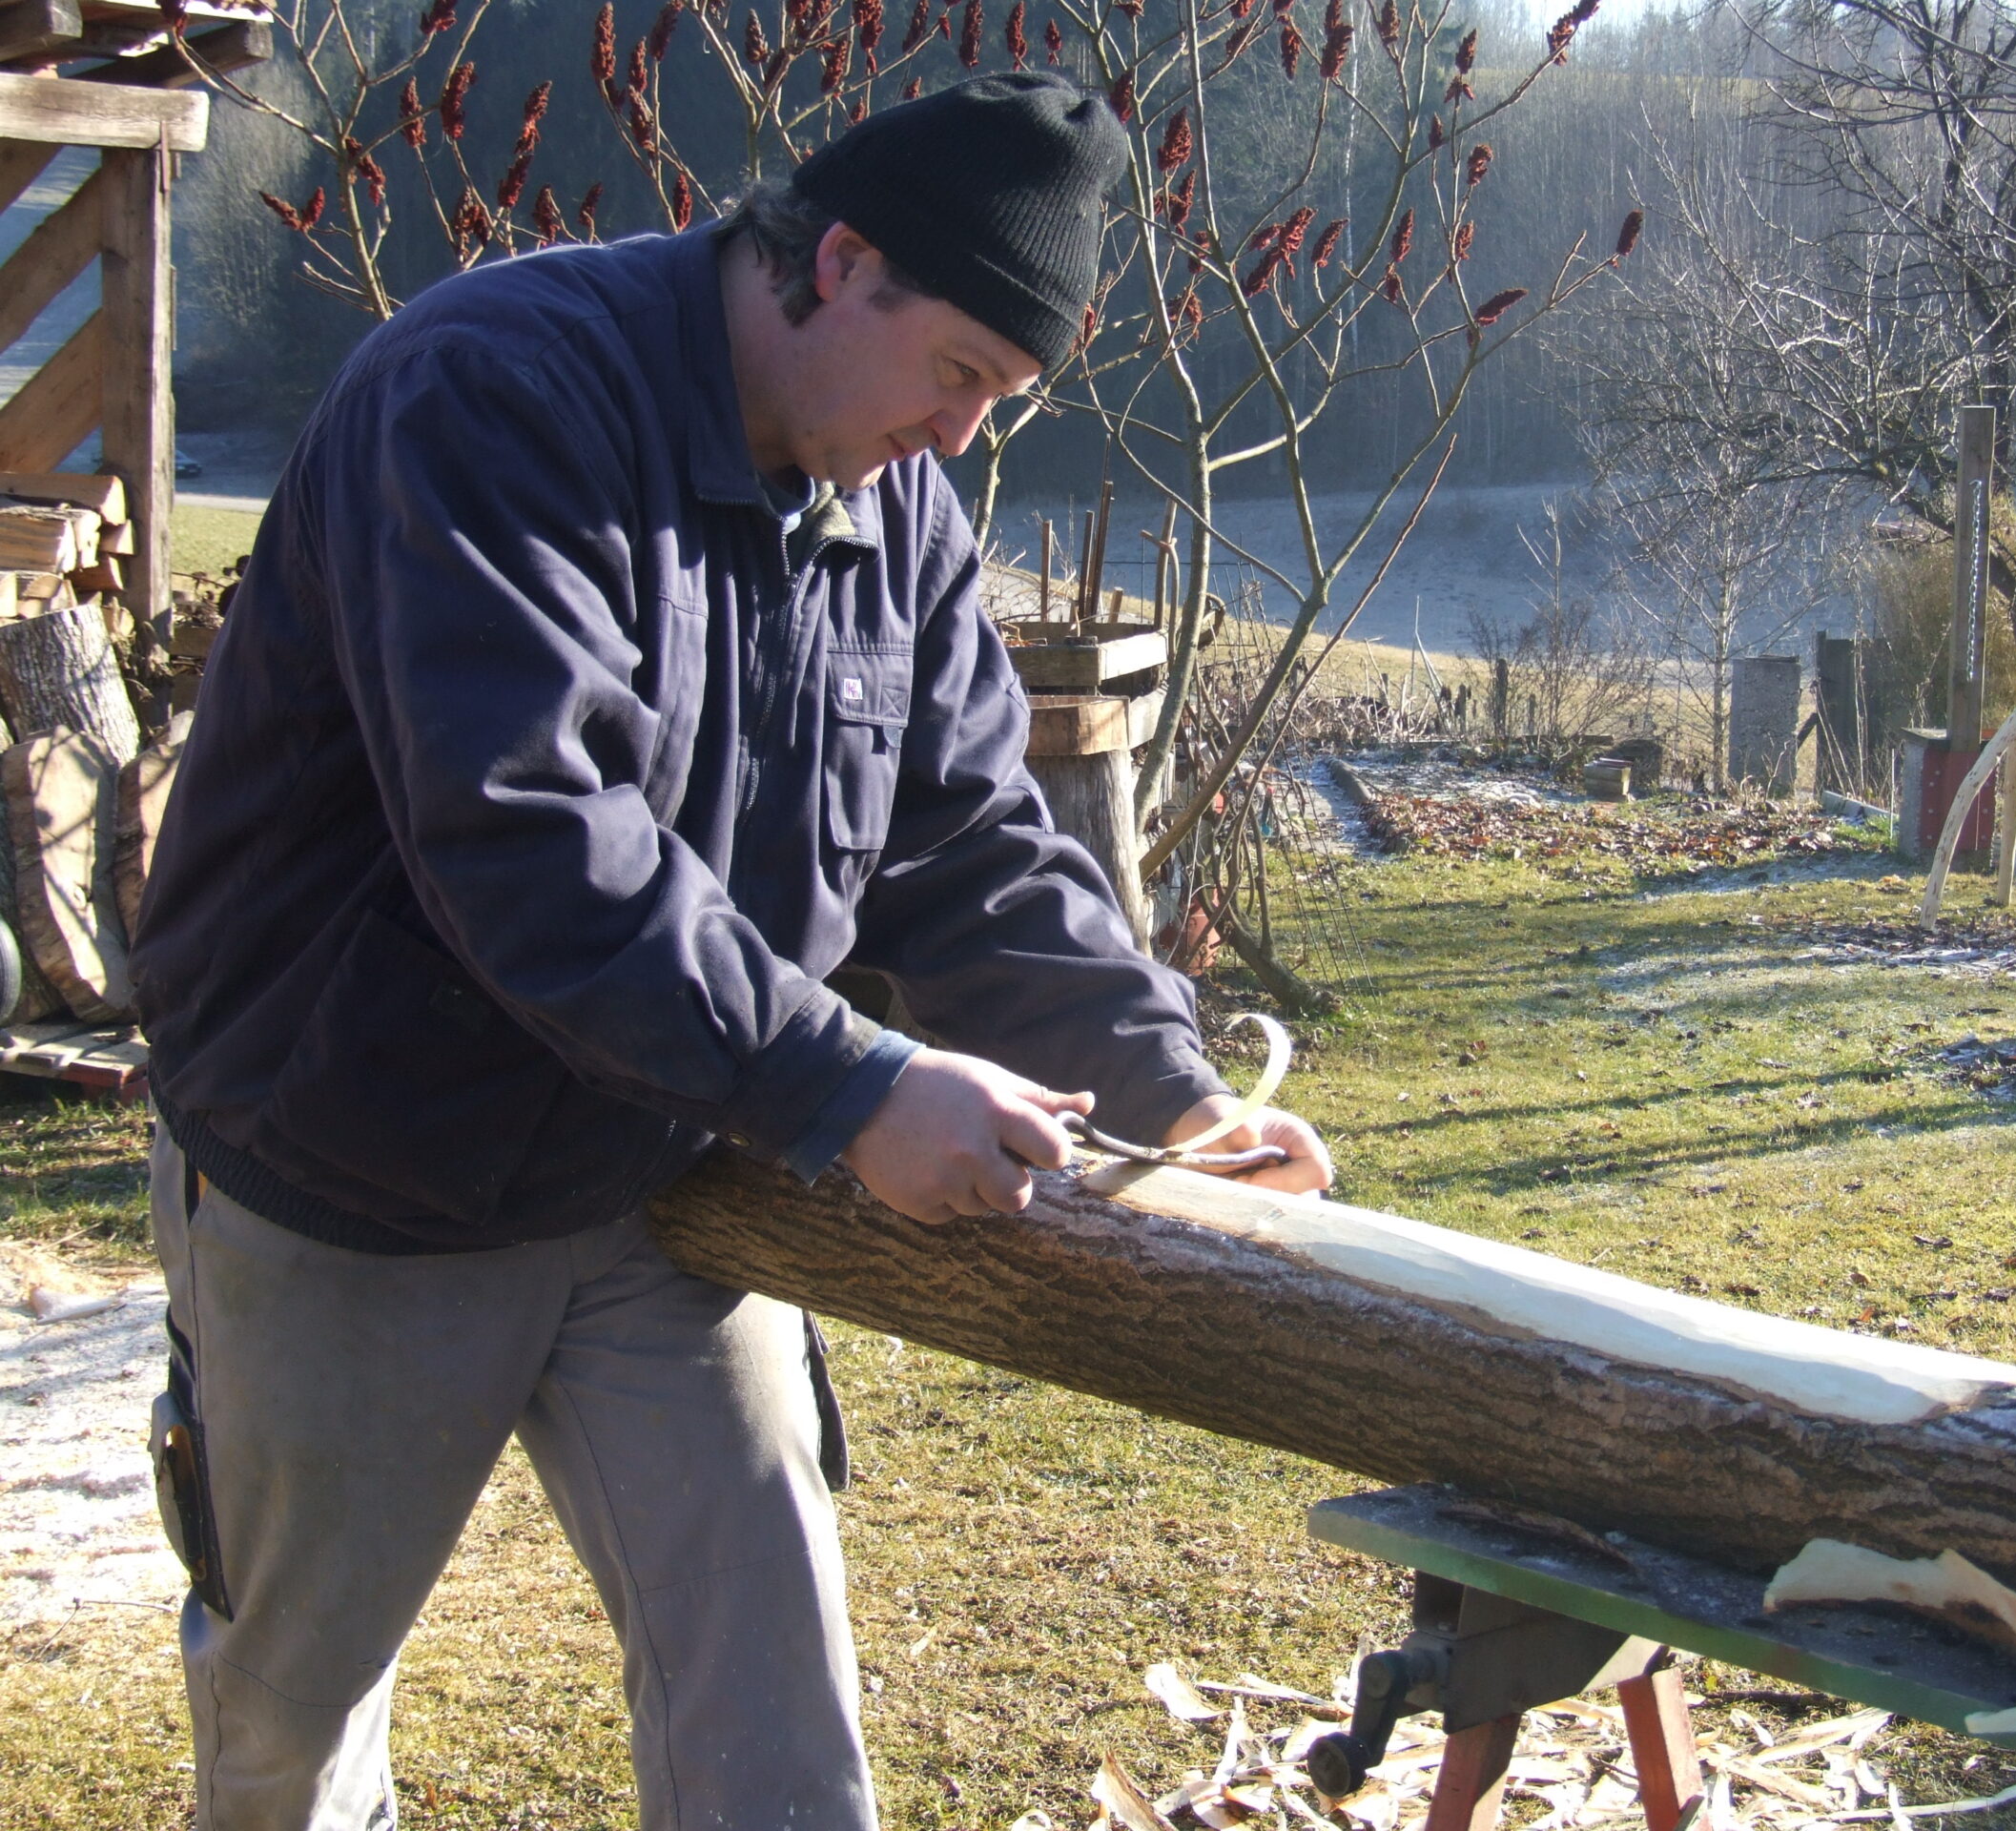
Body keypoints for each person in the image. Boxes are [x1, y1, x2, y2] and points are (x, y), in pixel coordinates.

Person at [131, 72, 1331, 1830]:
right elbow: (531, 841)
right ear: (838, 263)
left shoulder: (894, 508)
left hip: (668, 1167)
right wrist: (851, 1084)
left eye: (1004, 401)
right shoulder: (492, 398)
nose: (963, 442)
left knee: (774, 1716)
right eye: (959, 379)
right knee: (291, 1734)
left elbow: (971, 843)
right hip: (354, 1167)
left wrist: (1174, 1090)